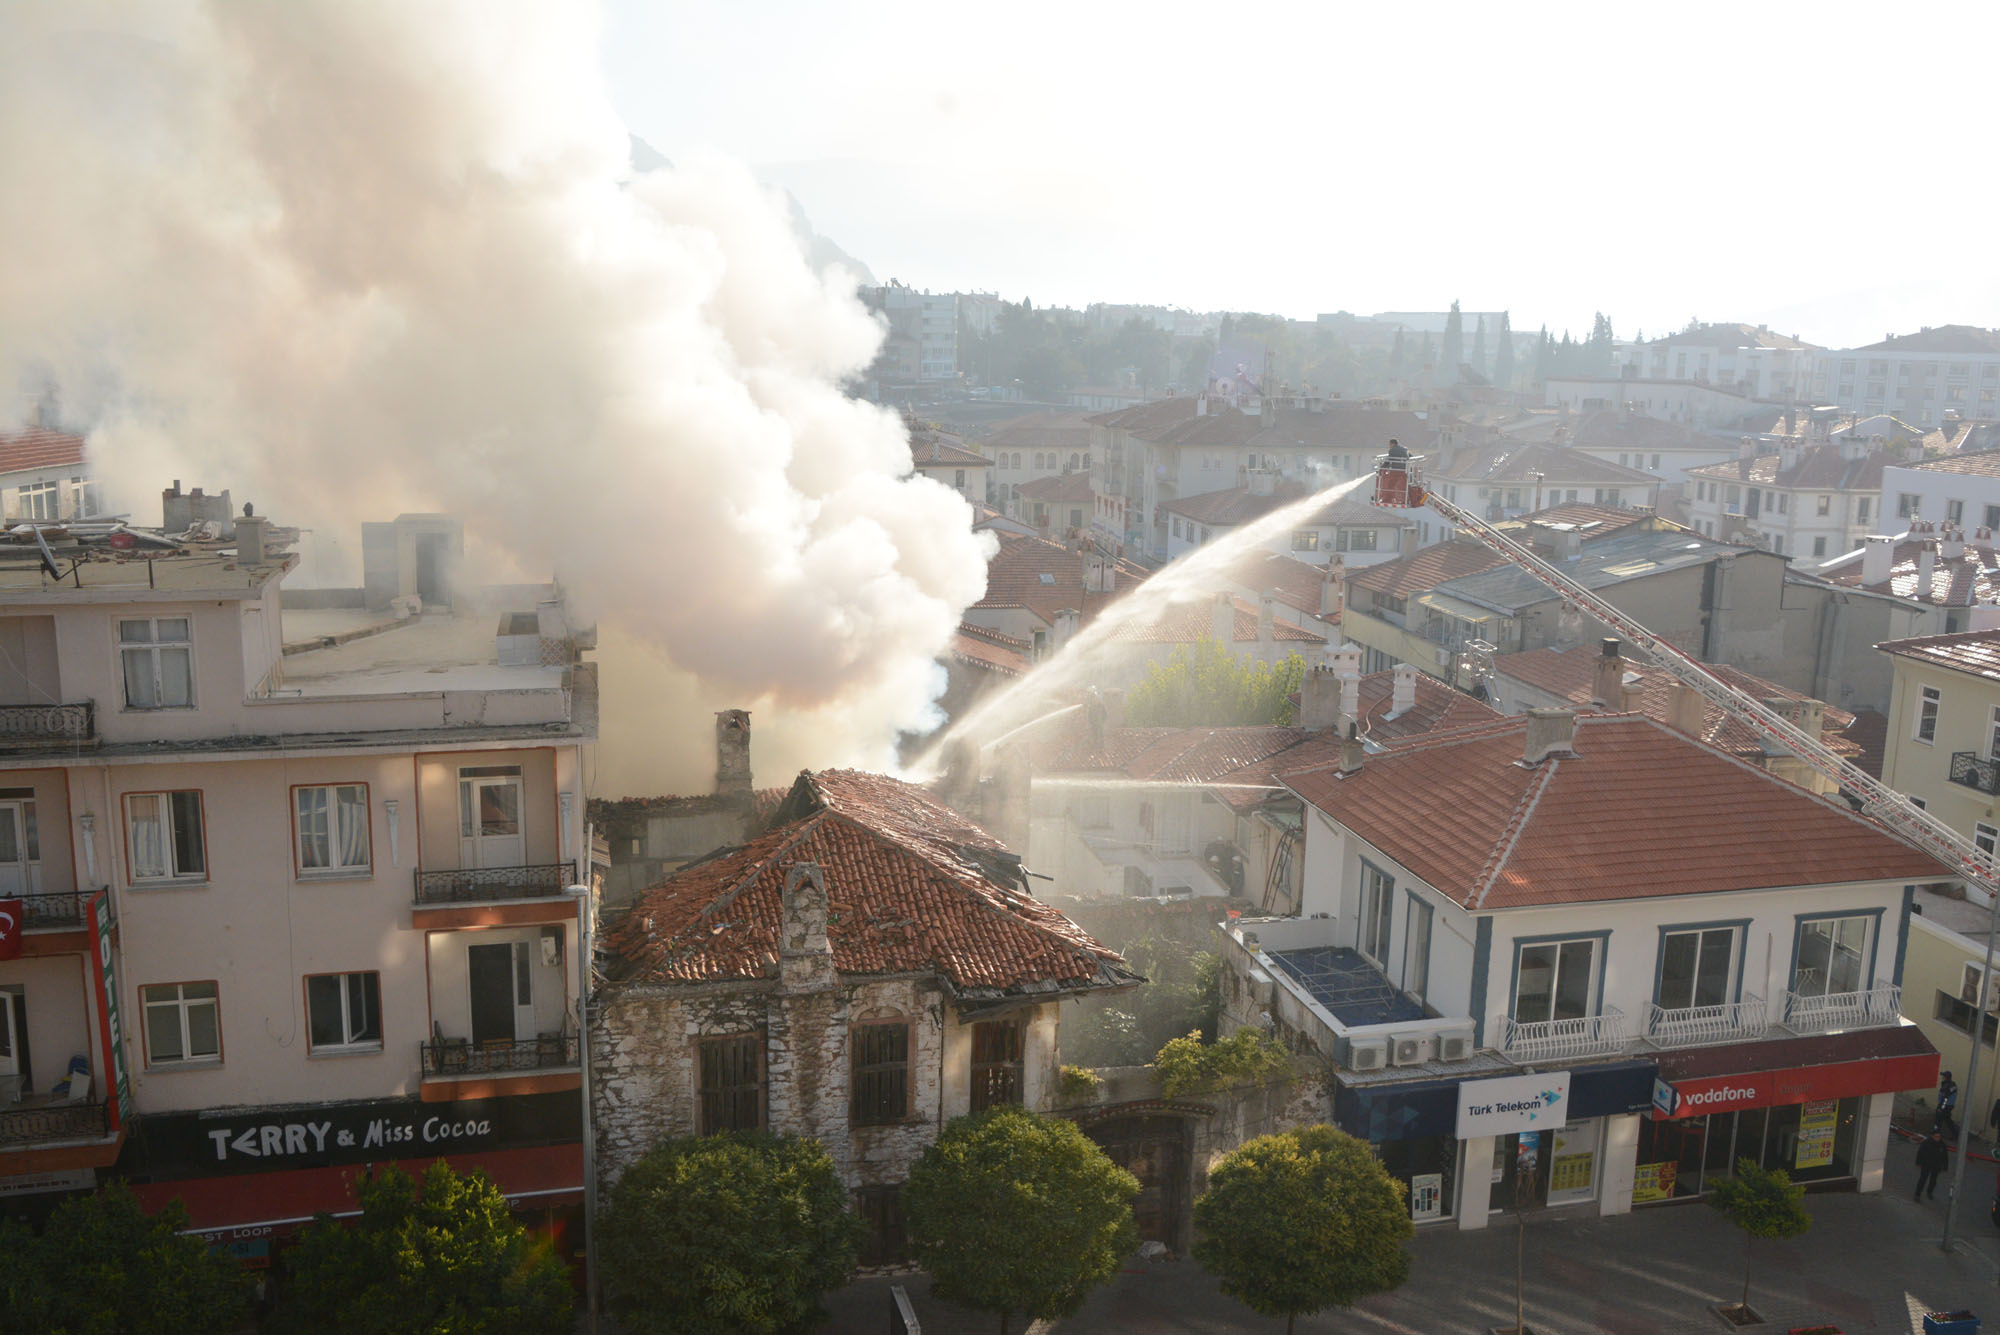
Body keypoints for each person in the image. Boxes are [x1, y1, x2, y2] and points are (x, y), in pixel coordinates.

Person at [1915, 1130, 1950, 1201]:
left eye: (1939, 1137)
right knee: (1923, 1179)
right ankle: (1917, 1194)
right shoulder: (1926, 1143)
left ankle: (1929, 1192)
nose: (1938, 1138)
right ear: (1932, 1136)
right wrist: (1918, 1162)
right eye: (1936, 1137)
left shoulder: (1942, 1145)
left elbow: (1945, 1156)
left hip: (1936, 1166)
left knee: (1933, 1181)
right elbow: (1920, 1152)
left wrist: (1945, 1166)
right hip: (1926, 1164)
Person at [1937, 1072, 1961, 1138]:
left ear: (1946, 1078)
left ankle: (1936, 1133)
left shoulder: (1947, 1086)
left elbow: (1945, 1098)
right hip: (1949, 1106)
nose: (1942, 1078)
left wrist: (1941, 1107)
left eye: (1943, 1077)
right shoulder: (1952, 1085)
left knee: (1939, 1119)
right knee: (1947, 1120)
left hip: (1946, 1106)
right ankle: (1955, 1134)